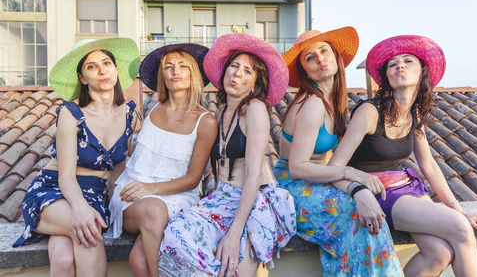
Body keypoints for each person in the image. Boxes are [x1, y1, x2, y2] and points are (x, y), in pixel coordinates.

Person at [329, 35, 477, 276]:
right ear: (386, 76)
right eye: (393, 64)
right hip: (378, 192)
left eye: (408, 61)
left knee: (439, 254)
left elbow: (428, 164)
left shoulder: (414, 112)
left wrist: (459, 208)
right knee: (460, 229)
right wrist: (359, 192)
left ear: (422, 73)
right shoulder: (369, 112)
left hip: (409, 189)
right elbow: (335, 168)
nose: (400, 66)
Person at [158, 33, 296, 277]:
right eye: (234, 66)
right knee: (176, 234)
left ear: (255, 83)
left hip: (254, 200)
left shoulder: (255, 109)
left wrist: (234, 232)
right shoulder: (218, 113)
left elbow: (253, 176)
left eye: (247, 71)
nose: (237, 74)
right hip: (221, 198)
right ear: (224, 73)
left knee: (233, 261)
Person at [274, 28, 403, 276]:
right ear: (304, 71)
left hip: (320, 181)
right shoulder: (312, 104)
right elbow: (297, 167)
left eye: (324, 50)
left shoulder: (336, 101)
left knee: (369, 217)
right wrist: (354, 178)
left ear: (335, 56)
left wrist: (358, 184)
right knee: (357, 216)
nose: (320, 58)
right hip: (291, 187)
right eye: (309, 57)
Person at [13, 38, 140, 277]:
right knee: (88, 231)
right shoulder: (71, 113)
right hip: (56, 190)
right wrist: (80, 208)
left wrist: (117, 206)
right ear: (82, 77)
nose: (102, 70)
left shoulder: (130, 114)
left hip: (96, 194)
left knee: (63, 260)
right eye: (92, 66)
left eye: (106, 63)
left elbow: (119, 168)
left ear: (116, 68)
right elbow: (66, 176)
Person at [106, 43, 217, 277]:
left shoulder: (205, 121)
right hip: (132, 192)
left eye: (183, 66)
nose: (175, 71)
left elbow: (193, 179)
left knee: (138, 261)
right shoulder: (153, 108)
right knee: (154, 212)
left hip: (176, 197)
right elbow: (143, 150)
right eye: (169, 67)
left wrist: (150, 188)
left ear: (193, 73)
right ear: (162, 75)